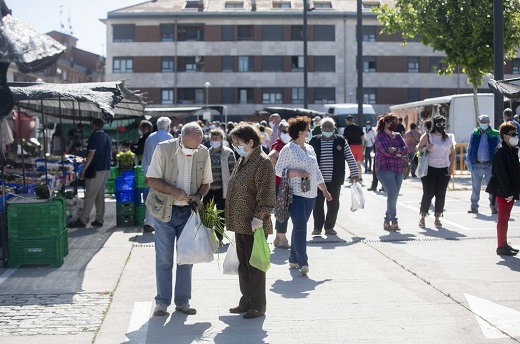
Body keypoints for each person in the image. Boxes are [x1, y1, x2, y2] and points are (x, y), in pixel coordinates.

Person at [145, 122, 212, 317]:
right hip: (164, 211)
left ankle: (182, 301)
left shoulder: (203, 152)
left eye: (196, 146)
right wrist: (174, 191)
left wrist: (198, 196)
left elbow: (206, 183)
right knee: (164, 259)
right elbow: (152, 179)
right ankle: (162, 302)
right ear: (180, 138)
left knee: (186, 259)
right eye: (189, 146)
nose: (193, 150)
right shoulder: (163, 148)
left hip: (188, 213)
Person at [225, 124, 276, 319]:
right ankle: (246, 300)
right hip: (240, 221)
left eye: (237, 143)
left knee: (255, 266)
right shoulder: (243, 159)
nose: (235, 146)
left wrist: (259, 216)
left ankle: (257, 305)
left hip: (254, 223)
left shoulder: (262, 162)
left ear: (250, 142)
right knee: (244, 264)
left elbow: (267, 194)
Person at [276, 116, 332, 276]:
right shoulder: (288, 149)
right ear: (300, 132)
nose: (309, 131)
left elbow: (316, 171)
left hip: (311, 194)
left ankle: (293, 258)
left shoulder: (310, 148)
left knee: (299, 227)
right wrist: (296, 173)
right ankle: (303, 262)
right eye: (307, 129)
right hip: (295, 195)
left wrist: (324, 190)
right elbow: (278, 170)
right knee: (301, 227)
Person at [309, 117, 359, 236]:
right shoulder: (314, 141)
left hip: (335, 179)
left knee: (333, 203)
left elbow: (350, 157)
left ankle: (329, 227)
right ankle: (317, 228)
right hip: (317, 180)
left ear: (334, 128)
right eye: (325, 126)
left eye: (329, 127)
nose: (327, 128)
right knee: (317, 204)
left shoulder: (341, 141)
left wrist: (355, 173)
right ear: (321, 128)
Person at [69, 118, 112, 228]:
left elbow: (91, 154)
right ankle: (99, 219)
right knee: (99, 195)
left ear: (94, 125)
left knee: (90, 195)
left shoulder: (95, 136)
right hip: (106, 169)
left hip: (96, 169)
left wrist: (84, 169)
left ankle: (83, 220)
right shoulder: (107, 137)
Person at [485, 121, 520, 256]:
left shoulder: (510, 150)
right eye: (513, 134)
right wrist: (509, 193)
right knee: (503, 218)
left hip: (509, 191)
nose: (516, 136)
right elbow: (501, 175)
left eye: (516, 133)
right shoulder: (501, 151)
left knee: (505, 218)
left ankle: (504, 244)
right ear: (505, 136)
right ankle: (501, 246)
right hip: (504, 192)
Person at [416, 115, 455, 229]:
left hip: (444, 169)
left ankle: (437, 218)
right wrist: (426, 149)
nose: (441, 126)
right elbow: (418, 149)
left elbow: (452, 153)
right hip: (429, 169)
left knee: (441, 194)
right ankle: (422, 217)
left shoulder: (448, 138)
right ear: (434, 125)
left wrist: (451, 167)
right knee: (428, 193)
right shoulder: (428, 136)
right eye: (439, 124)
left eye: (443, 124)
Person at [374, 113, 409, 231]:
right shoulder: (380, 136)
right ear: (385, 123)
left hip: (398, 169)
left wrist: (396, 150)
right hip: (384, 169)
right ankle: (394, 221)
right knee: (393, 194)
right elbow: (385, 152)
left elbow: (406, 149)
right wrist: (399, 152)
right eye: (391, 123)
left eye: (396, 123)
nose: (394, 125)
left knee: (393, 196)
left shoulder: (398, 136)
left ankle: (386, 221)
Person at [203, 128, 236, 245]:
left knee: (220, 215)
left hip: (222, 189)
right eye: (212, 138)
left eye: (216, 138)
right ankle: (208, 237)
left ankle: (220, 237)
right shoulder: (206, 152)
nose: (214, 140)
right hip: (208, 189)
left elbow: (233, 171)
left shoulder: (228, 153)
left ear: (222, 139)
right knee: (207, 213)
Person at [141, 117, 173, 232]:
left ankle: (149, 222)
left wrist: (145, 172)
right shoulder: (169, 138)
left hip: (150, 172)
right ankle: (158, 222)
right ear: (168, 127)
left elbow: (145, 157)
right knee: (164, 198)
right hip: (163, 173)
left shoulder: (150, 137)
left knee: (152, 197)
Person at [465, 114, 499, 214]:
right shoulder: (475, 133)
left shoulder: (495, 133)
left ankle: (494, 206)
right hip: (477, 164)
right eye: (481, 122)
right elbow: (470, 148)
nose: (483, 124)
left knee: (492, 187)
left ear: (489, 122)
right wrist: (469, 162)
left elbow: (499, 148)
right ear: (479, 122)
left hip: (490, 165)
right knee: (475, 187)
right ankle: (474, 206)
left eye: (485, 122)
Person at [268, 120, 291, 248]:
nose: (286, 134)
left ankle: (278, 237)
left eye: (288, 131)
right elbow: (271, 157)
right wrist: (280, 171)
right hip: (281, 182)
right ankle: (282, 238)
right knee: (283, 209)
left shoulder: (286, 143)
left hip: (284, 182)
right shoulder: (279, 144)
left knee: (282, 209)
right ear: (279, 132)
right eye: (284, 131)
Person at [343, 115, 365, 181]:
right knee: (358, 163)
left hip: (351, 146)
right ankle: (360, 177)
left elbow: (346, 140)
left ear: (346, 121)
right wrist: (362, 145)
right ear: (353, 120)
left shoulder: (346, 129)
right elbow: (362, 137)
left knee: (351, 162)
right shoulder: (358, 127)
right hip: (359, 146)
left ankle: (353, 177)